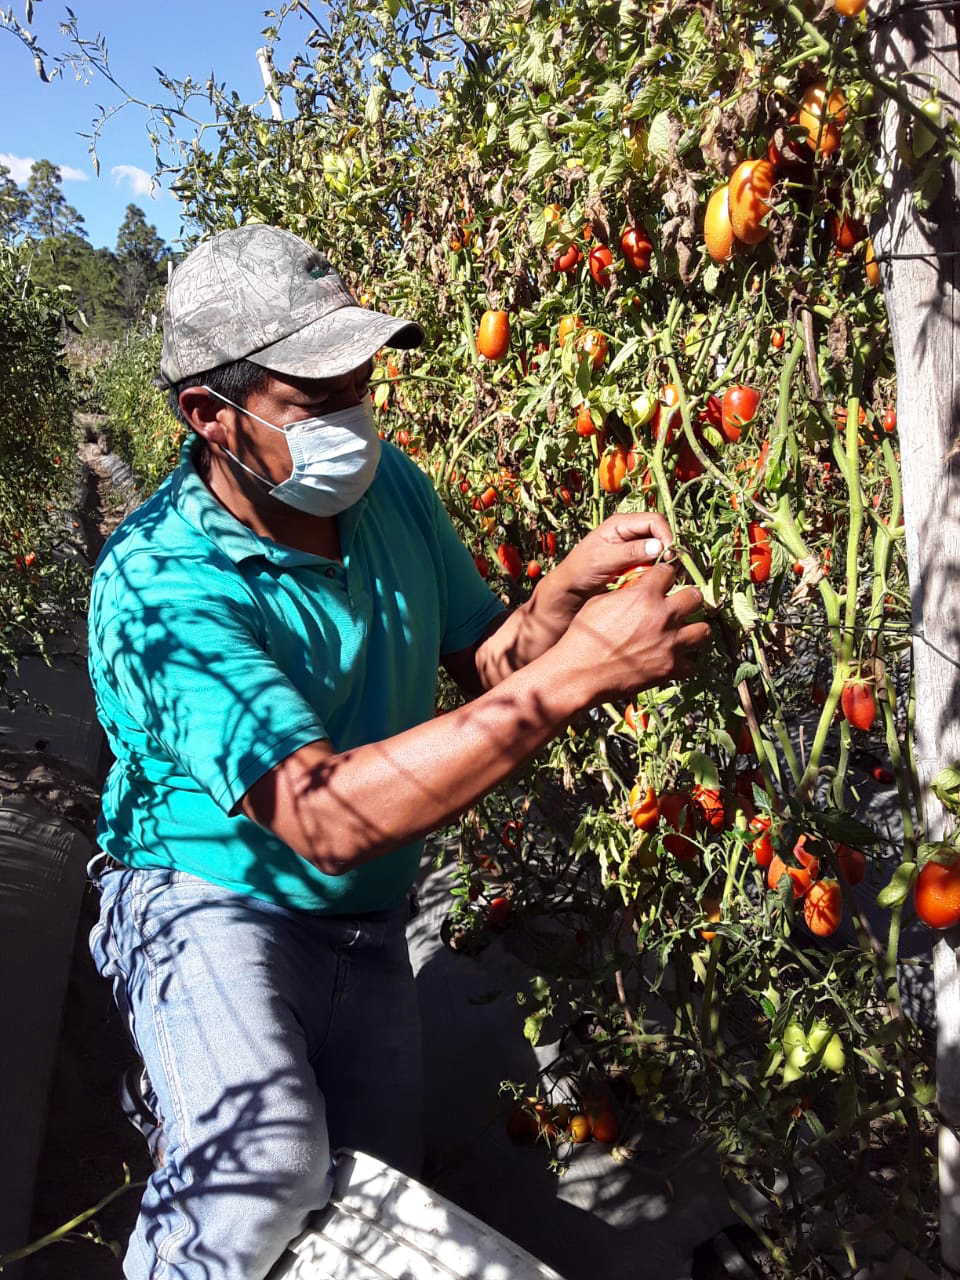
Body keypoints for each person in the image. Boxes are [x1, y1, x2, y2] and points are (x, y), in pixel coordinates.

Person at [87, 224, 710, 1280]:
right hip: (199, 894)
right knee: (265, 1170)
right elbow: (319, 814)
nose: (357, 423)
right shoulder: (162, 586)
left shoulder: (390, 492)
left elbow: (489, 664)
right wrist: (580, 673)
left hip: (366, 918)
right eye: (318, 399)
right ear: (209, 415)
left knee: (377, 1196)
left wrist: (564, 590)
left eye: (362, 386)